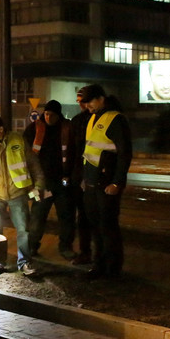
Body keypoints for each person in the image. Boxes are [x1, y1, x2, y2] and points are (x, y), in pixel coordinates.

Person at [0, 114, 45, 277]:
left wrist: (39, 185)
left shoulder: (18, 140)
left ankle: (24, 262)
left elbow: (33, 163)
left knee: (23, 229)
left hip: (17, 192)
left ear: (1, 129)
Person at [79, 84, 132, 279]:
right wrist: (85, 179)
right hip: (92, 183)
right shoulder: (93, 118)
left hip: (107, 184)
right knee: (95, 228)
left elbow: (124, 154)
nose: (88, 106)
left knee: (108, 228)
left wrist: (117, 182)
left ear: (101, 99)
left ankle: (113, 269)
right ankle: (98, 265)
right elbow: (89, 152)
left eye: (91, 101)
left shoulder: (116, 119)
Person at [24, 100, 76, 260]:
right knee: (37, 216)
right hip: (43, 183)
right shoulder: (35, 128)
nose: (48, 117)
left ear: (58, 115)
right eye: (46, 114)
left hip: (63, 182)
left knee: (66, 216)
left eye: (52, 115)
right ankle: (32, 246)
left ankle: (65, 247)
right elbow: (25, 151)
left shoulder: (67, 128)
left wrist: (71, 175)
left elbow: (74, 152)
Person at [66, 87, 94, 265]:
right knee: (82, 216)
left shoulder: (98, 119)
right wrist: (69, 175)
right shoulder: (77, 121)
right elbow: (72, 150)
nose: (81, 104)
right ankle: (85, 251)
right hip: (79, 175)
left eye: (82, 100)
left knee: (93, 217)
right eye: (78, 101)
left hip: (94, 175)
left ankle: (95, 253)